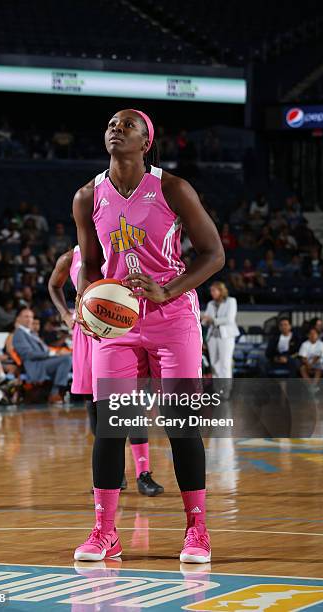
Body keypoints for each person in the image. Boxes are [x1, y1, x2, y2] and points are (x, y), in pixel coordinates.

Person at [72, 108, 224, 562]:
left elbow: (213, 254)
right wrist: (84, 302)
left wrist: (169, 289)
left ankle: (196, 530)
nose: (116, 129)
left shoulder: (173, 189)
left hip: (172, 316)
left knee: (181, 425)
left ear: (146, 142)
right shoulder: (86, 196)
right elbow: (91, 267)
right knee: (111, 428)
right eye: (111, 124)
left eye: (127, 125)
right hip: (117, 325)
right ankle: (104, 532)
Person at [48, 245, 164, 497]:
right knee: (94, 403)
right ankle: (114, 473)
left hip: (120, 332)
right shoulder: (70, 257)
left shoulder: (121, 247)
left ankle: (143, 473)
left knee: (131, 403)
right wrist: (66, 315)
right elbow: (53, 286)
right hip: (87, 334)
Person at [13, 307, 72, 405]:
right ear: (18, 319)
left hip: (43, 362)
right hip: (35, 365)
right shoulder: (19, 334)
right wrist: (53, 353)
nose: (29, 319)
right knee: (66, 360)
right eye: (26, 316)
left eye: (31, 317)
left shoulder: (31, 333)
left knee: (71, 357)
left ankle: (81, 390)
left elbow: (45, 349)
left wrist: (57, 353)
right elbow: (28, 354)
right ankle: (55, 393)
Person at [201, 282, 239, 394]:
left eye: (214, 290)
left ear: (221, 291)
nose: (212, 293)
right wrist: (203, 318)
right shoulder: (211, 303)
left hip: (226, 336)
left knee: (225, 364)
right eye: (211, 291)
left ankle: (226, 390)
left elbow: (229, 319)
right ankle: (218, 390)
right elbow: (205, 321)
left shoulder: (231, 301)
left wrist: (211, 319)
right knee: (214, 364)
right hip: (212, 336)